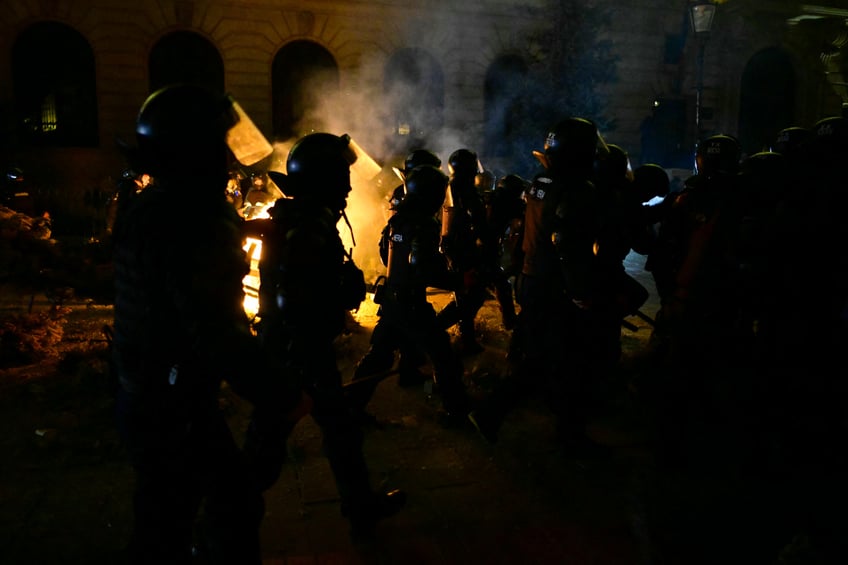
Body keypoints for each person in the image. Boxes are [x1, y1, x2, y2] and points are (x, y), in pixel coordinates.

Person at [111, 83, 310, 565]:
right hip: (174, 401)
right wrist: (281, 394)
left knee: (164, 513)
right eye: (217, 145)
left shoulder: (148, 206)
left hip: (140, 385)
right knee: (220, 507)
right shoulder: (194, 221)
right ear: (194, 152)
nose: (227, 158)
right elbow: (218, 333)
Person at [257, 132, 406, 543]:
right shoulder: (309, 225)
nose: (348, 183)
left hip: (299, 349)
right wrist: (342, 291)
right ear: (325, 179)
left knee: (339, 431)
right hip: (298, 352)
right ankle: (223, 518)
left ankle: (361, 507)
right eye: (342, 174)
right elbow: (294, 297)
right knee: (266, 445)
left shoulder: (306, 217)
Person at [470, 118, 610, 456]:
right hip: (554, 286)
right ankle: (564, 435)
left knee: (548, 360)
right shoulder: (576, 187)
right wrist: (579, 291)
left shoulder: (542, 180)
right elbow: (565, 241)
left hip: (534, 279)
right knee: (566, 362)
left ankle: (502, 416)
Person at [347, 164, 472, 427]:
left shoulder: (397, 218)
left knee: (378, 357)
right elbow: (425, 268)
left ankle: (350, 410)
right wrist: (457, 279)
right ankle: (457, 413)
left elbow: (385, 255)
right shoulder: (424, 223)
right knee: (443, 356)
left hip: (392, 300)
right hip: (412, 304)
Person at [436, 148, 490, 353]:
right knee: (471, 297)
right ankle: (433, 329)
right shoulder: (463, 190)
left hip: (456, 249)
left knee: (466, 296)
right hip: (462, 251)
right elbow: (474, 220)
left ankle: (466, 338)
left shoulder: (451, 187)